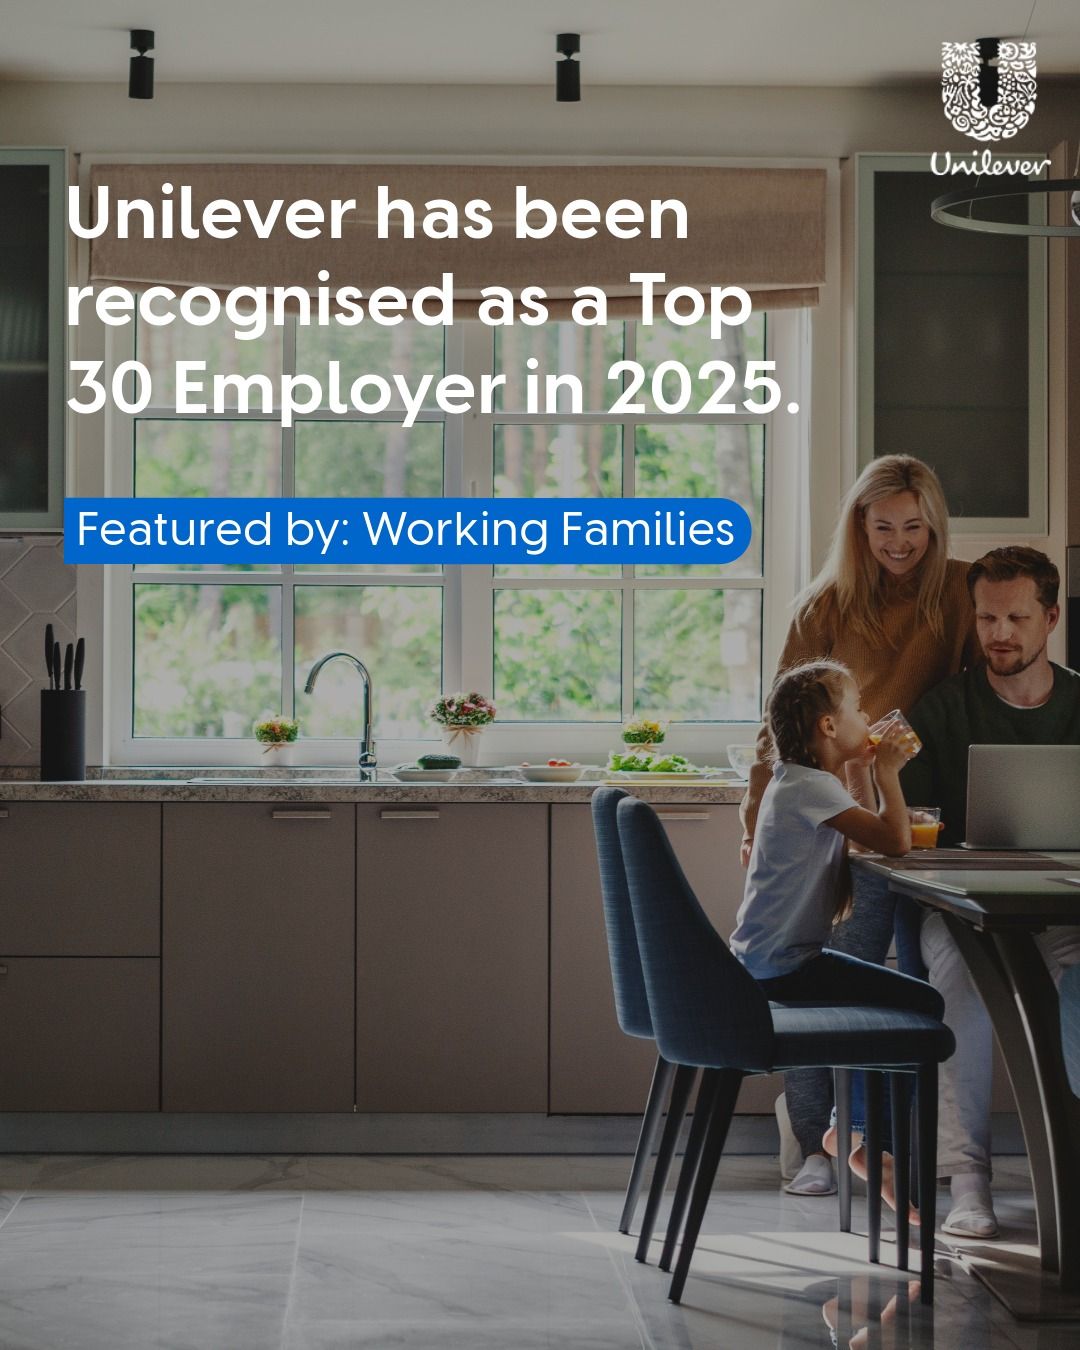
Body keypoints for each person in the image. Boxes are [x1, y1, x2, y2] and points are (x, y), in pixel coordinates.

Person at [740, 454, 978, 1196]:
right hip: (844, 817)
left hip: (930, 814)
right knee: (834, 977)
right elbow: (776, 718)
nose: (899, 542)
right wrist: (754, 819)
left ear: (934, 526)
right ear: (859, 526)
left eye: (914, 527)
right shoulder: (826, 605)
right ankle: (817, 1142)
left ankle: (896, 1148)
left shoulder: (962, 595)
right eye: (883, 528)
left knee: (910, 983)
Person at [898, 546, 1080, 1239]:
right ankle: (968, 1180)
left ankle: (1067, 1169)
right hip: (963, 909)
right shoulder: (943, 708)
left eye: (1016, 617)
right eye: (986, 618)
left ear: (1051, 618)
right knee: (957, 977)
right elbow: (909, 824)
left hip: (1063, 908)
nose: (999, 632)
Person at [731, 660, 946, 1217]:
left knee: (903, 1004)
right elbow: (895, 842)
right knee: (918, 1003)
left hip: (775, 960)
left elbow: (871, 837)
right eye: (857, 709)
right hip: (784, 967)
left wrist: (872, 778)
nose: (868, 718)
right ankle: (860, 1140)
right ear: (829, 727)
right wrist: (890, 774)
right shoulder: (809, 788)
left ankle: (854, 1135)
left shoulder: (802, 784)